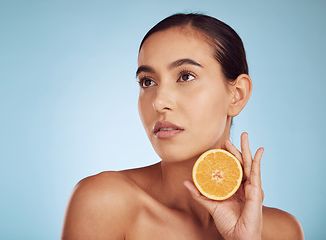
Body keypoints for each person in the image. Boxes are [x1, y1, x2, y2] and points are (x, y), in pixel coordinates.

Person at [61, 13, 304, 239]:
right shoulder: (104, 202)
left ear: (237, 95)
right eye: (147, 81)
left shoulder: (282, 230)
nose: (159, 101)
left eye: (185, 76)